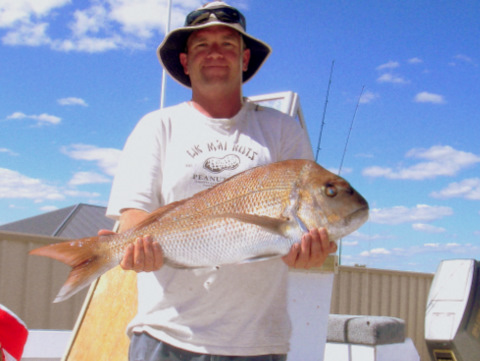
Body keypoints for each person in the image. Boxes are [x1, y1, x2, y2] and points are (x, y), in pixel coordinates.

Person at [106, 2, 337, 360]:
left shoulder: (282, 130)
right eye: (201, 45)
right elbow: (133, 217)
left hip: (259, 344)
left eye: (228, 44)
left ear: (245, 59)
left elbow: (292, 248)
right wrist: (133, 247)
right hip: (165, 337)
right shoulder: (156, 127)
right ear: (185, 61)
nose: (215, 53)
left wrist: (308, 256)